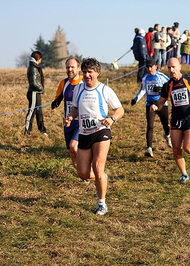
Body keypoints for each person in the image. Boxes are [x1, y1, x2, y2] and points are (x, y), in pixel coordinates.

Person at [65, 58, 124, 216]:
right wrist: (71, 117)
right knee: (83, 173)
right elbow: (75, 108)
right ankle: (102, 179)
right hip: (84, 133)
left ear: (98, 72)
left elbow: (120, 110)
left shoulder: (105, 90)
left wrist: (112, 119)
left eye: (90, 72)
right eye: (84, 72)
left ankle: (102, 203)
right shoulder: (79, 89)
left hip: (101, 132)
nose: (87, 75)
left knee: (98, 167)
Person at [150, 58, 190, 184]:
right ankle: (184, 174)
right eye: (169, 68)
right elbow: (161, 102)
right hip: (176, 120)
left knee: (188, 147)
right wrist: (156, 106)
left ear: (179, 67)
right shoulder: (167, 86)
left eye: (173, 67)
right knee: (176, 149)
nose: (171, 70)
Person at [51, 57, 95, 181]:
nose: (70, 69)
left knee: (74, 146)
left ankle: (90, 170)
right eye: (67, 67)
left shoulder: (84, 82)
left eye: (72, 67)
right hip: (68, 122)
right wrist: (55, 103)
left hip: (82, 122)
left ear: (78, 68)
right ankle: (83, 175)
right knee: (72, 151)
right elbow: (58, 97)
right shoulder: (63, 83)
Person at [131, 59, 171, 157]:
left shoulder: (161, 77)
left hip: (161, 104)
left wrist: (161, 89)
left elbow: (171, 85)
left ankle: (167, 135)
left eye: (151, 67)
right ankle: (149, 147)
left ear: (155, 66)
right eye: (147, 67)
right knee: (150, 126)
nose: (149, 69)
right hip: (149, 105)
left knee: (165, 124)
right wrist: (135, 99)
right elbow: (143, 90)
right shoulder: (145, 78)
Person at [24, 51, 47, 136]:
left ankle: (42, 130)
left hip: (36, 93)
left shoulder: (34, 67)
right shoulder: (33, 68)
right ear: (38, 58)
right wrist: (41, 89)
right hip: (33, 92)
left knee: (39, 112)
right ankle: (27, 131)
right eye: (40, 58)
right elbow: (33, 82)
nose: (41, 60)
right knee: (31, 112)